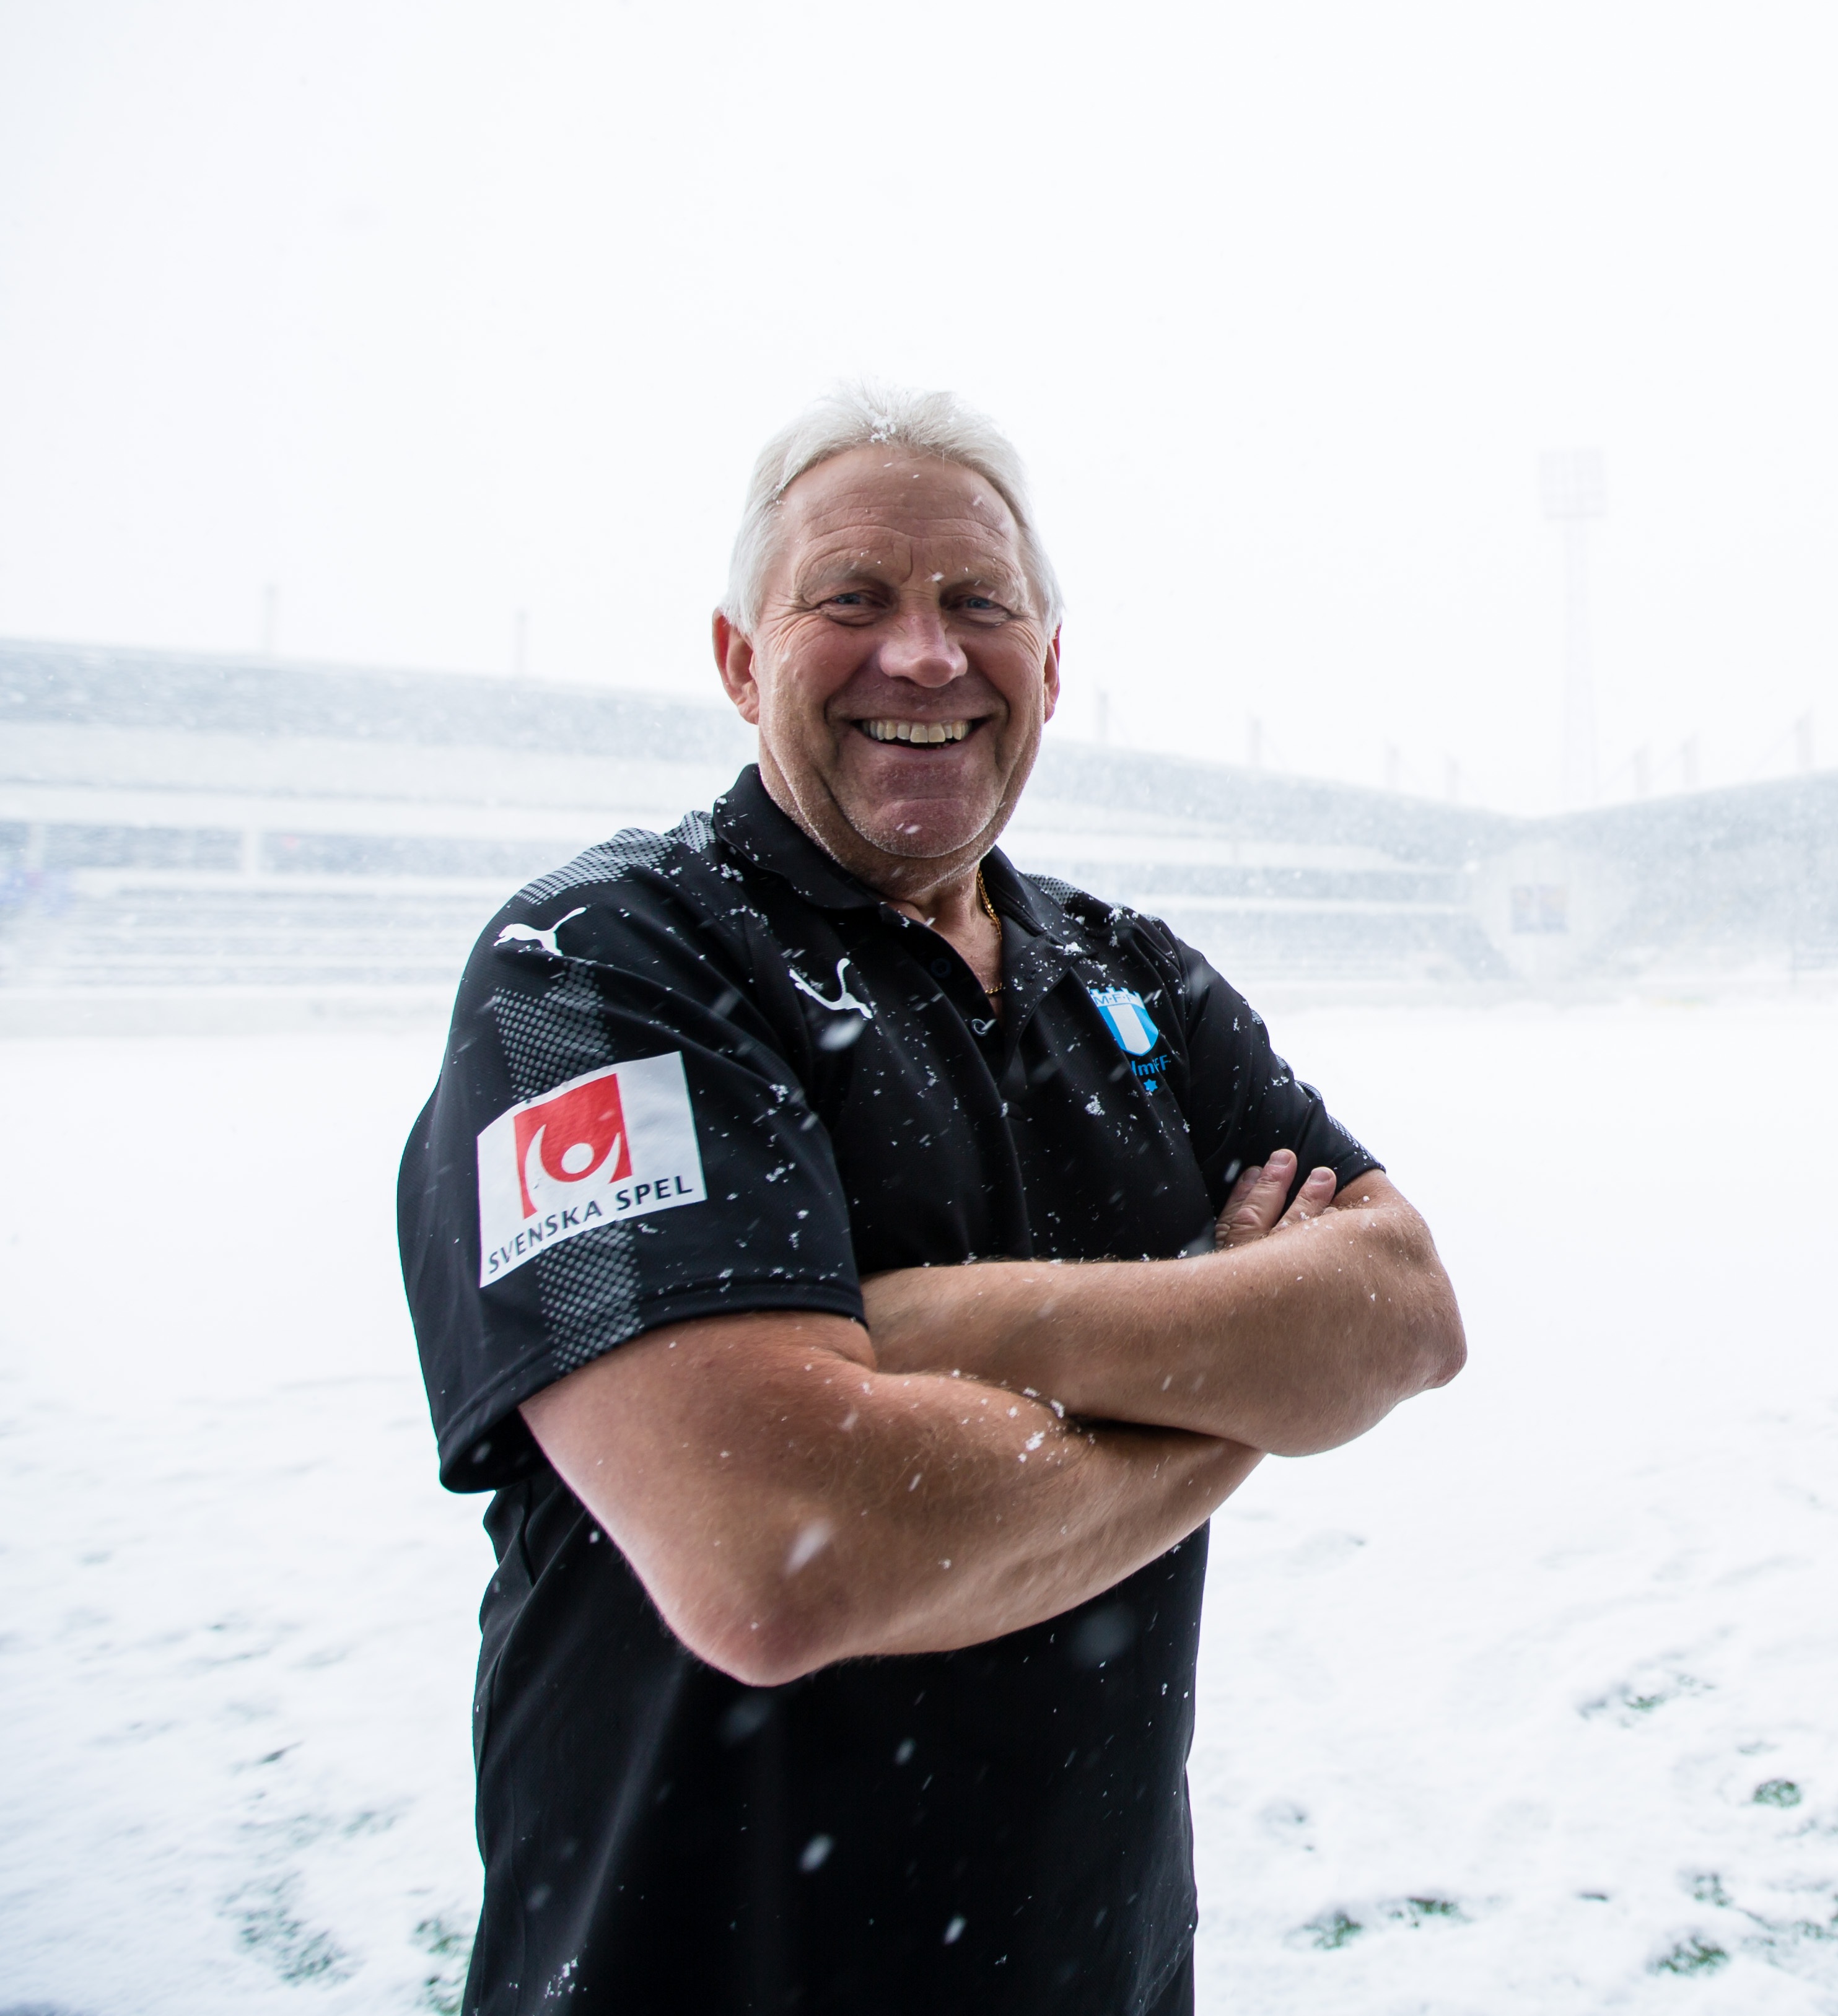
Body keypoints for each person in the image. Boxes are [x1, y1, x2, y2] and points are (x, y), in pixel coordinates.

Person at [395, 383, 1466, 2014]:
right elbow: (777, 1559)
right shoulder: (608, 964)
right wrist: (1239, 1388)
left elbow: (1402, 1313)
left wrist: (960, 1326)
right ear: (740, 658)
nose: (924, 654)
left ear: (1050, 658)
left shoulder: (1134, 980)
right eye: (853, 599)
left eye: (980, 604)